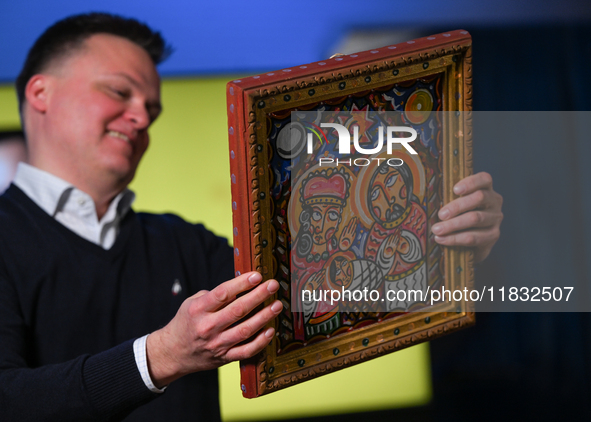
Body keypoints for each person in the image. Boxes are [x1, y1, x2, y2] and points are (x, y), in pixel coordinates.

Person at [0, 12, 503, 422]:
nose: (141, 117)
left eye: (150, 109)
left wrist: (443, 244)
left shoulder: (184, 244)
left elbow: (324, 295)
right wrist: (161, 357)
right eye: (118, 92)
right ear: (41, 93)